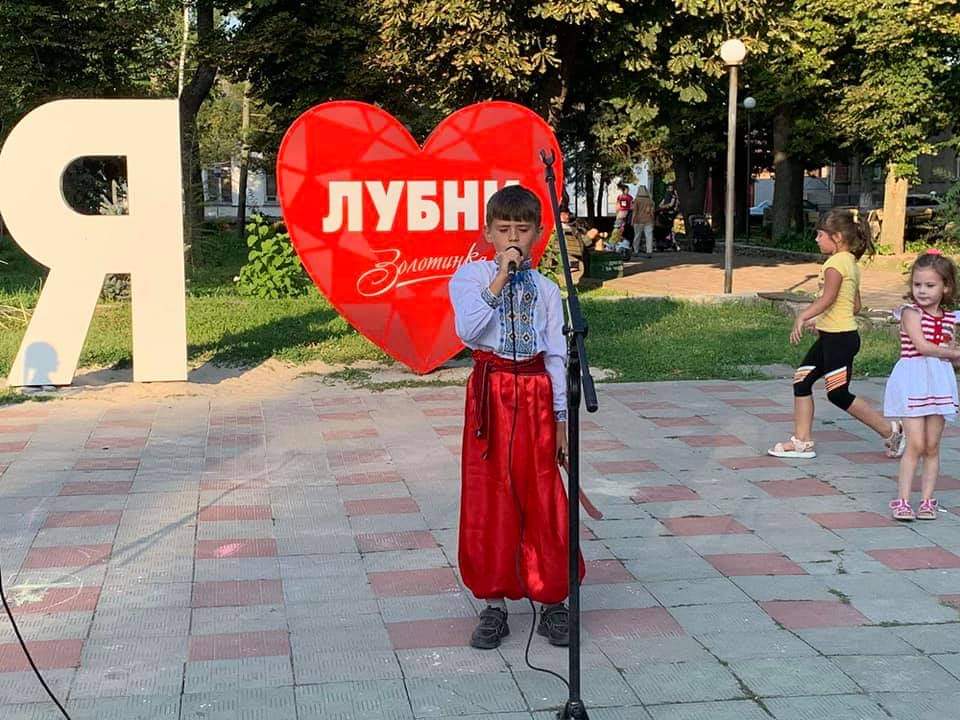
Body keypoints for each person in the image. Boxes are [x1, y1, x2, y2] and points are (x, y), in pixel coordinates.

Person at [449, 184, 585, 650]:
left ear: (538, 234)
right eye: (503, 228)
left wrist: (561, 419)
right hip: (490, 396)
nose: (513, 238)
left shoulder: (547, 290)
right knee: (490, 494)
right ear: (487, 232)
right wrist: (500, 280)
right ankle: (493, 603)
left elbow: (556, 355)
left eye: (522, 230)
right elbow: (468, 329)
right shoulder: (470, 278)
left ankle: (552, 600)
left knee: (542, 494)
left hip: (535, 395)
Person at [768, 209, 906, 460]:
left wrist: (803, 316)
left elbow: (828, 298)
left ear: (838, 237)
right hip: (833, 335)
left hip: (840, 339)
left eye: (820, 235)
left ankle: (891, 431)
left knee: (837, 393)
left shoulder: (834, 264)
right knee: (802, 381)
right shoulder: (850, 263)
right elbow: (854, 305)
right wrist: (821, 321)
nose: (816, 239)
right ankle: (802, 442)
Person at [884, 250, 960, 520]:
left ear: (946, 287)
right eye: (917, 284)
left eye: (930, 285)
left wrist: (954, 355)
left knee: (932, 445)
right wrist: (953, 353)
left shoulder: (951, 319)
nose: (922, 291)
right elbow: (923, 346)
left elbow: (951, 355)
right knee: (915, 443)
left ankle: (927, 500)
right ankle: (903, 500)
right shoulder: (910, 313)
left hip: (939, 383)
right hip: (914, 381)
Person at [632, 185, 656, 258]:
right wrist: (653, 220)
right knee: (649, 236)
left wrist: (632, 220)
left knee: (637, 236)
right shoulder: (650, 200)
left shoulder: (636, 200)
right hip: (648, 220)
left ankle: (636, 251)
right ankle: (649, 252)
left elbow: (635, 212)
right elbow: (652, 212)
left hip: (638, 220)